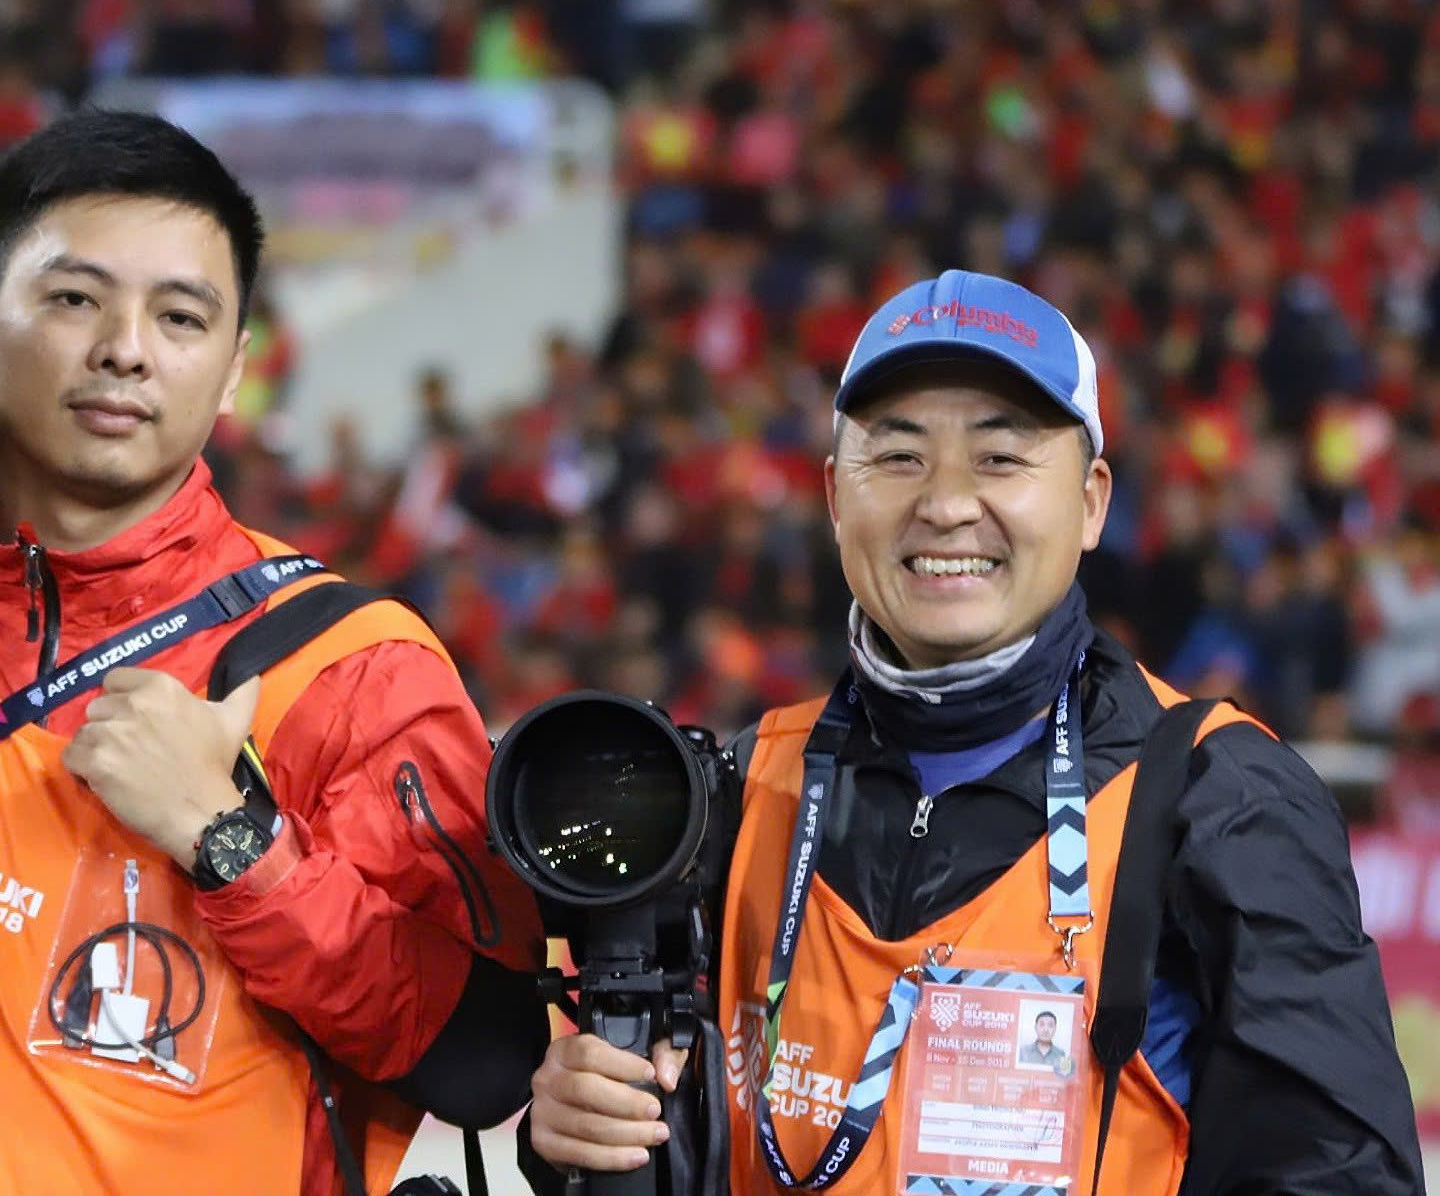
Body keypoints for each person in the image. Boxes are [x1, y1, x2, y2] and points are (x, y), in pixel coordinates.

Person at [0, 109, 548, 1195]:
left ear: (232, 370)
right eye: (75, 298)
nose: (124, 349)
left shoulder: (351, 667)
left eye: (180, 317)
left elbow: (490, 1058)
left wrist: (233, 840)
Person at [523, 271, 1422, 1193]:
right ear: (835, 497)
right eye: (899, 456)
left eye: (999, 457)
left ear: (1091, 502)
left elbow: (1339, 1178)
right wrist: (577, 1134)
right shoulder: (748, 785)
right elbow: (673, 1135)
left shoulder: (1217, 798)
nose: (946, 503)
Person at [1021, 1010, 1073, 1077]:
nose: (1046, 1030)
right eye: (1042, 1025)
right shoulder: (1023, 1051)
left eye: (1050, 1025)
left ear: (1055, 1029)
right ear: (1035, 1027)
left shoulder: (1063, 1054)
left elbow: (1066, 1079)